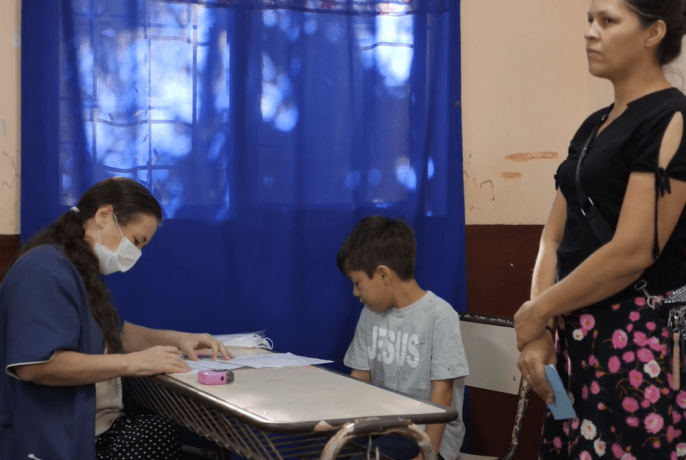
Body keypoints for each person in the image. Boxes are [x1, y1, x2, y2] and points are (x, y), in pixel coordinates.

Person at [514, 0, 686, 458]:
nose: (591, 32)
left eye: (608, 21)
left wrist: (537, 311)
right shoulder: (594, 125)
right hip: (573, 337)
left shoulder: (671, 117)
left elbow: (634, 250)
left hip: (636, 339)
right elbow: (553, 235)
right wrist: (538, 330)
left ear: (653, 33)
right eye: (590, 20)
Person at [0, 177, 232, 460]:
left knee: (175, 431)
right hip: (56, 436)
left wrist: (179, 339)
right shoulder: (43, 269)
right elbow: (36, 366)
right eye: (136, 242)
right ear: (103, 215)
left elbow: (115, 332)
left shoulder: (79, 270)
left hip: (97, 425)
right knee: (161, 435)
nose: (136, 254)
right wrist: (132, 363)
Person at [338, 216, 469, 460]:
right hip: (383, 430)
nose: (355, 293)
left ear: (383, 274)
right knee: (328, 449)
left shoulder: (440, 316)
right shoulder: (369, 314)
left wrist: (427, 454)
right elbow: (359, 379)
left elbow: (443, 392)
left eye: (357, 283)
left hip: (427, 436)